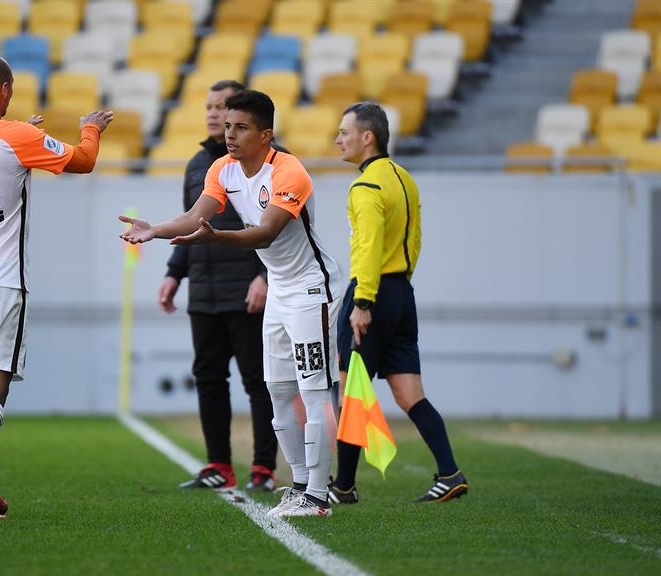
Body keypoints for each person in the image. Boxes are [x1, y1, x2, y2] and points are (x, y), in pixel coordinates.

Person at [120, 90, 343, 518]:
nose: (229, 135)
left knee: (313, 390)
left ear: (266, 135)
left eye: (240, 127)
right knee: (278, 390)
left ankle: (318, 496)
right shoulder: (222, 168)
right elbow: (194, 217)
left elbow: (266, 233)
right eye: (227, 126)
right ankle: (299, 486)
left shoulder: (289, 171)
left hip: (311, 289)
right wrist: (156, 229)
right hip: (279, 290)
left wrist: (216, 236)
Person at [0, 54, 113, 520]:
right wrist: (90, 128)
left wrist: (22, 136)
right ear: (5, 89)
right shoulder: (17, 137)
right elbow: (84, 161)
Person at [328, 102, 468, 505]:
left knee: (351, 389)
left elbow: (368, 248)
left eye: (344, 132)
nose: (338, 140)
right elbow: (415, 240)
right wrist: (395, 289)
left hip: (371, 295)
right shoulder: (405, 179)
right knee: (410, 394)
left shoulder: (366, 186)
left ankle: (343, 487)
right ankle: (450, 472)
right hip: (402, 294)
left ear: (367, 137)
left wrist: (363, 302)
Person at [159, 80, 278, 492]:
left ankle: (264, 468)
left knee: (258, 381)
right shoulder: (198, 165)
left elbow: (280, 229)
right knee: (208, 379)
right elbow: (190, 222)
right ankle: (218, 466)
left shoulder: (270, 164)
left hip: (246, 290)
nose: (214, 115)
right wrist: (174, 273)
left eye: (222, 108)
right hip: (204, 292)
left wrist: (264, 277)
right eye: (209, 107)